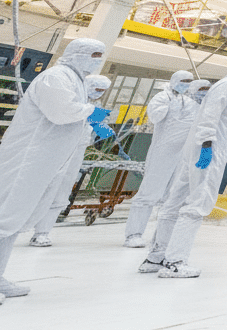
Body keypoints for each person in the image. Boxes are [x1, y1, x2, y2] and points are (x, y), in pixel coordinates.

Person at [0, 38, 109, 301]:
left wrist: (91, 116)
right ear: (77, 53)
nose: (97, 60)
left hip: (44, 164)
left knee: (13, 223)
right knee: (5, 218)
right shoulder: (56, 77)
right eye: (93, 54)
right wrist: (91, 111)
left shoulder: (76, 80)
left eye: (100, 55)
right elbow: (61, 112)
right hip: (26, 161)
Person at [140, 53, 227, 278]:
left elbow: (222, 120)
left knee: (175, 202)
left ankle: (155, 257)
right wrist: (207, 145)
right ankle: (175, 262)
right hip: (208, 151)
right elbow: (209, 116)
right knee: (198, 203)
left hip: (203, 148)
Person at [27, 74, 112, 248]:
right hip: (56, 148)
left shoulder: (95, 106)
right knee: (42, 187)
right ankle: (16, 226)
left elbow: (98, 127)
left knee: (62, 190)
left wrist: (104, 130)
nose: (98, 93)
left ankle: (42, 232)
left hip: (77, 150)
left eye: (102, 91)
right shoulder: (71, 99)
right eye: (97, 89)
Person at [124, 71, 198, 248]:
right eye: (183, 81)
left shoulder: (190, 102)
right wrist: (170, 108)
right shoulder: (162, 97)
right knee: (149, 193)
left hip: (181, 154)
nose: (186, 84)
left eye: (189, 81)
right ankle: (133, 234)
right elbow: (155, 116)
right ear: (174, 80)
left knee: (172, 197)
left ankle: (161, 238)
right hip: (162, 152)